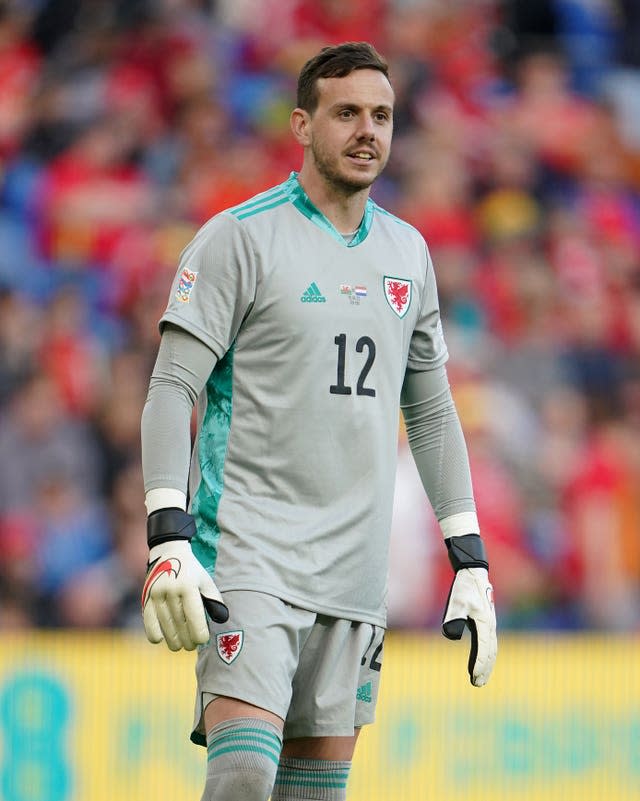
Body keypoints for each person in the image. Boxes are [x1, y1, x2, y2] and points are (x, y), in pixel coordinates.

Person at [140, 41, 497, 801]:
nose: (367, 131)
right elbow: (174, 383)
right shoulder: (241, 236)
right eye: (346, 114)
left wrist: (469, 554)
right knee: (242, 773)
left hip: (355, 574)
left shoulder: (409, 252)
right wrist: (167, 533)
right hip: (251, 554)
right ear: (302, 125)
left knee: (312, 794)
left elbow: (430, 408)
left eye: (381, 116)